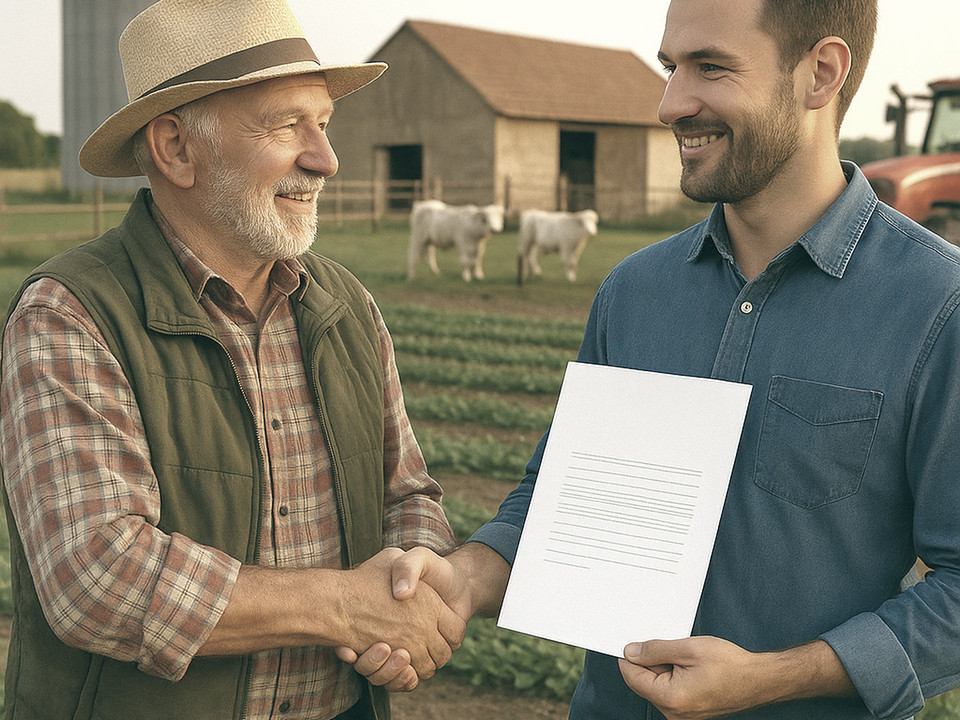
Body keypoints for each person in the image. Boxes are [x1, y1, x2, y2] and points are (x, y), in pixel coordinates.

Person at [344, 0, 960, 717]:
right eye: (672, 68)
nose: (670, 104)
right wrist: (469, 578)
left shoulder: (935, 306)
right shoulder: (634, 292)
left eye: (710, 68)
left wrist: (776, 677)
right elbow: (552, 499)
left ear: (819, 73)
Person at [0, 1, 463, 719]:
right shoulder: (70, 312)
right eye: (287, 125)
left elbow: (406, 495)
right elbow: (97, 576)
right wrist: (347, 608)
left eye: (324, 123)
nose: (325, 158)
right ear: (176, 148)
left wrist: (412, 588)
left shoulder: (347, 304)